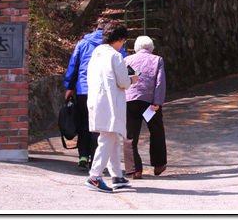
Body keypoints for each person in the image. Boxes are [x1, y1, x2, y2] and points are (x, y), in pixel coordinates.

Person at [63, 22, 126, 171]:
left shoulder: (83, 43)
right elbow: (123, 66)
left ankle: (83, 156)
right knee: (102, 126)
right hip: (104, 90)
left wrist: (69, 87)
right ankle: (99, 163)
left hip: (83, 89)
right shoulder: (115, 44)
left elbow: (74, 66)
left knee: (85, 123)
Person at [86, 22, 137, 193]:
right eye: (123, 41)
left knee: (113, 138)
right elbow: (123, 81)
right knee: (107, 139)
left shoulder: (96, 54)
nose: (123, 44)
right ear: (120, 39)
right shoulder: (115, 56)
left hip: (96, 100)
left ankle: (116, 175)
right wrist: (132, 80)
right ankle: (95, 176)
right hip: (110, 103)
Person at [124, 36, 167, 179]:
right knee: (156, 131)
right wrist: (158, 102)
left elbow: (124, 81)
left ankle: (135, 169)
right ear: (151, 48)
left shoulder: (127, 60)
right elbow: (160, 83)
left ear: (136, 48)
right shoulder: (157, 60)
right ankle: (159, 164)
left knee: (130, 135)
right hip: (150, 102)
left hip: (130, 100)